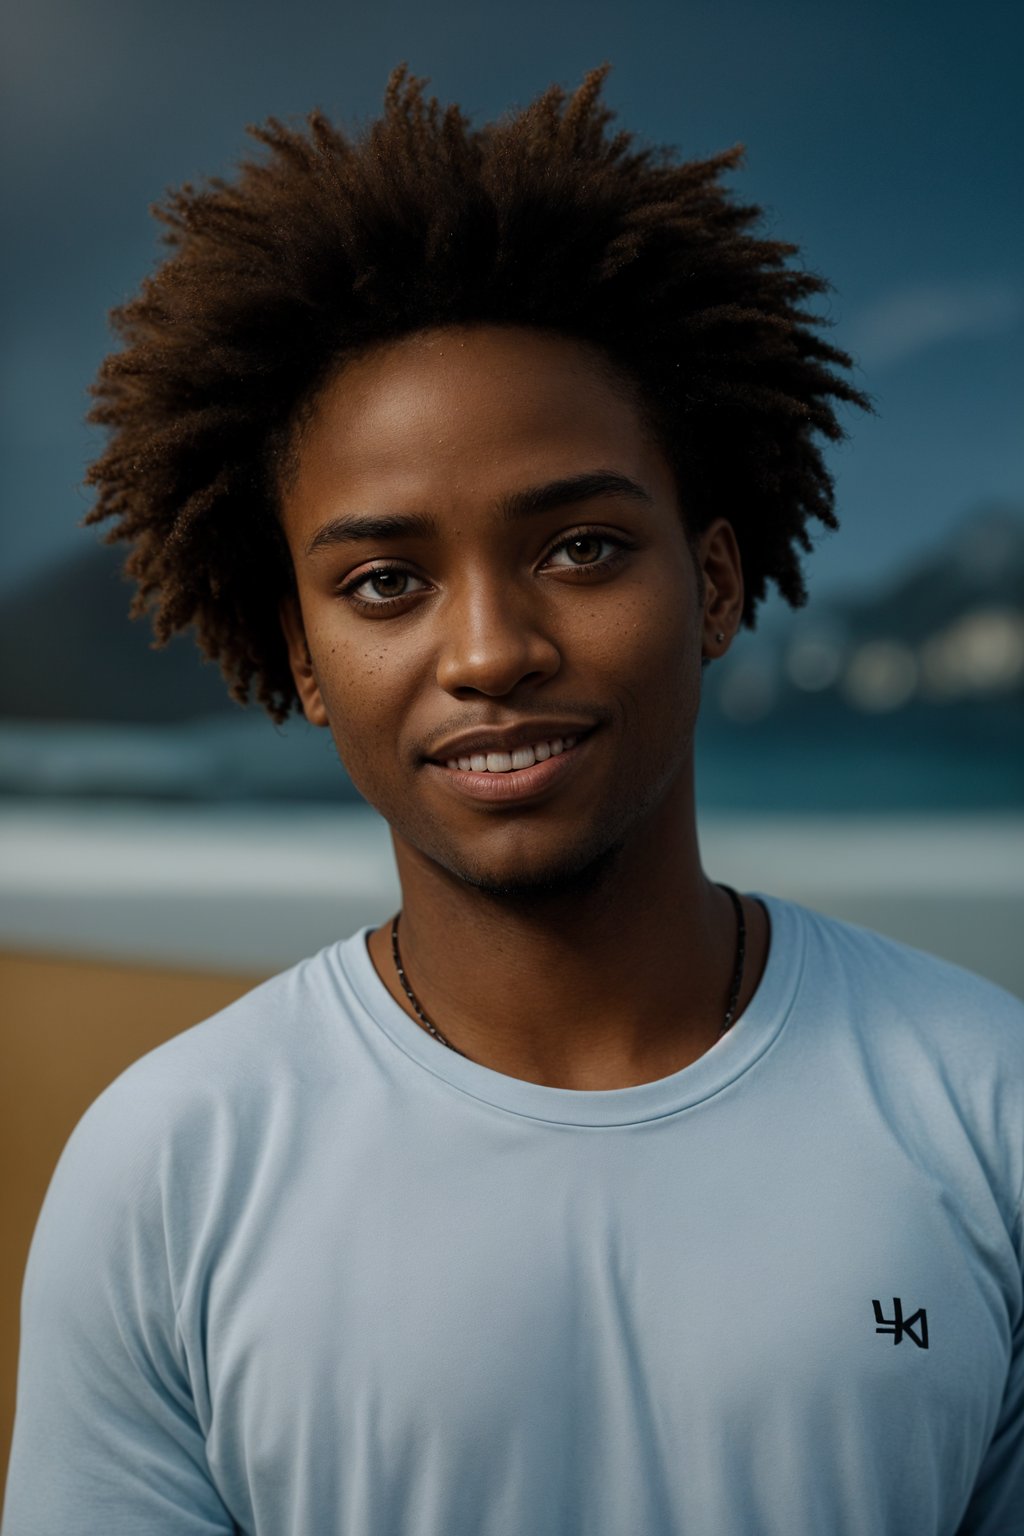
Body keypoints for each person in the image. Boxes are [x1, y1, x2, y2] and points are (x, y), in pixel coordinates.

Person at [3, 63, 1022, 1536]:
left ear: (718, 582)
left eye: (583, 549)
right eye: (385, 584)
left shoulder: (986, 1110)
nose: (488, 650)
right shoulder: (170, 1169)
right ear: (301, 655)